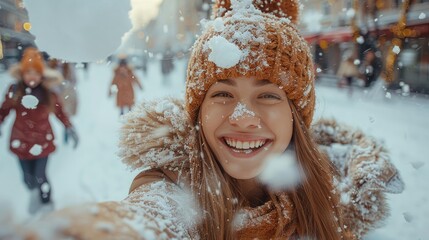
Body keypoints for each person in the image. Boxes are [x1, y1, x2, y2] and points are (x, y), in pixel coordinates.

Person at [2, 1, 404, 239]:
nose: (243, 118)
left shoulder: (332, 191)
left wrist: (361, 162)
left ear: (297, 115)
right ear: (197, 110)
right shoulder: (173, 189)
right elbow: (146, 216)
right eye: (223, 94)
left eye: (267, 95)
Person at [0, 47, 79, 215]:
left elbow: (60, 112)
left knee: (40, 176)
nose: (32, 77)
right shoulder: (14, 91)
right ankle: (35, 195)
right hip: (20, 141)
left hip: (42, 141)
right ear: (22, 73)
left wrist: (69, 127)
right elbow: (3, 111)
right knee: (28, 179)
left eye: (36, 72)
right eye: (28, 72)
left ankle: (47, 204)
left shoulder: (49, 94)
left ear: (41, 74)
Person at [47, 59, 79, 144]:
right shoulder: (51, 67)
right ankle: (66, 131)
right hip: (55, 96)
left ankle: (67, 132)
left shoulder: (69, 67)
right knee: (61, 113)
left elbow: (74, 80)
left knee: (65, 114)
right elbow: (48, 82)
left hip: (67, 96)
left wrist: (66, 85)